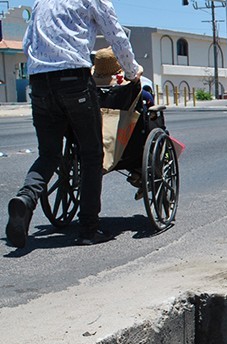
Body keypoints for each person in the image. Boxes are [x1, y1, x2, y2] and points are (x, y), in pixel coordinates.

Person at [6, 0, 142, 248]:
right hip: (73, 80)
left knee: (48, 154)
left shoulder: (41, 2)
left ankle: (26, 198)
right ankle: (88, 229)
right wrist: (133, 72)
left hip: (38, 82)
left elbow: (27, 44)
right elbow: (116, 36)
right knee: (91, 153)